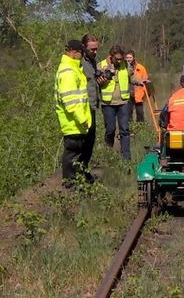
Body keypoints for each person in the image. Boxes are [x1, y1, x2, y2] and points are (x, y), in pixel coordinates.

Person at [55, 40, 92, 187]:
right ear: (74, 52)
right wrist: (82, 119)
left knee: (77, 155)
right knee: (72, 155)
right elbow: (70, 101)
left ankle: (78, 182)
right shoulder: (68, 71)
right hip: (73, 122)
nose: (82, 57)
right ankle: (71, 185)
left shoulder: (72, 68)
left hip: (76, 122)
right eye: (81, 54)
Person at [98, 44, 140, 161]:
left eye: (122, 58)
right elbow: (96, 83)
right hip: (108, 104)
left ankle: (127, 159)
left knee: (125, 130)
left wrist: (141, 81)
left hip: (123, 102)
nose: (120, 61)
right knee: (110, 129)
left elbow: (132, 78)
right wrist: (101, 81)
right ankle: (108, 155)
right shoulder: (101, 65)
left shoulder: (125, 65)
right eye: (118, 59)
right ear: (111, 56)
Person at [81, 34, 100, 170]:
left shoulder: (92, 61)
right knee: (82, 142)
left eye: (96, 49)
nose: (95, 52)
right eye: (92, 49)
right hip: (82, 107)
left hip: (92, 106)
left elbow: (93, 80)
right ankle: (77, 172)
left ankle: (84, 169)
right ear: (84, 47)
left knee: (90, 140)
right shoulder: (79, 62)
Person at [125, 50, 149, 123]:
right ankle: (130, 130)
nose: (128, 59)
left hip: (139, 94)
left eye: (130, 57)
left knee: (140, 113)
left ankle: (140, 130)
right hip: (127, 94)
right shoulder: (124, 68)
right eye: (127, 57)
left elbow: (145, 79)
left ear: (134, 58)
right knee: (128, 113)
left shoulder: (141, 67)